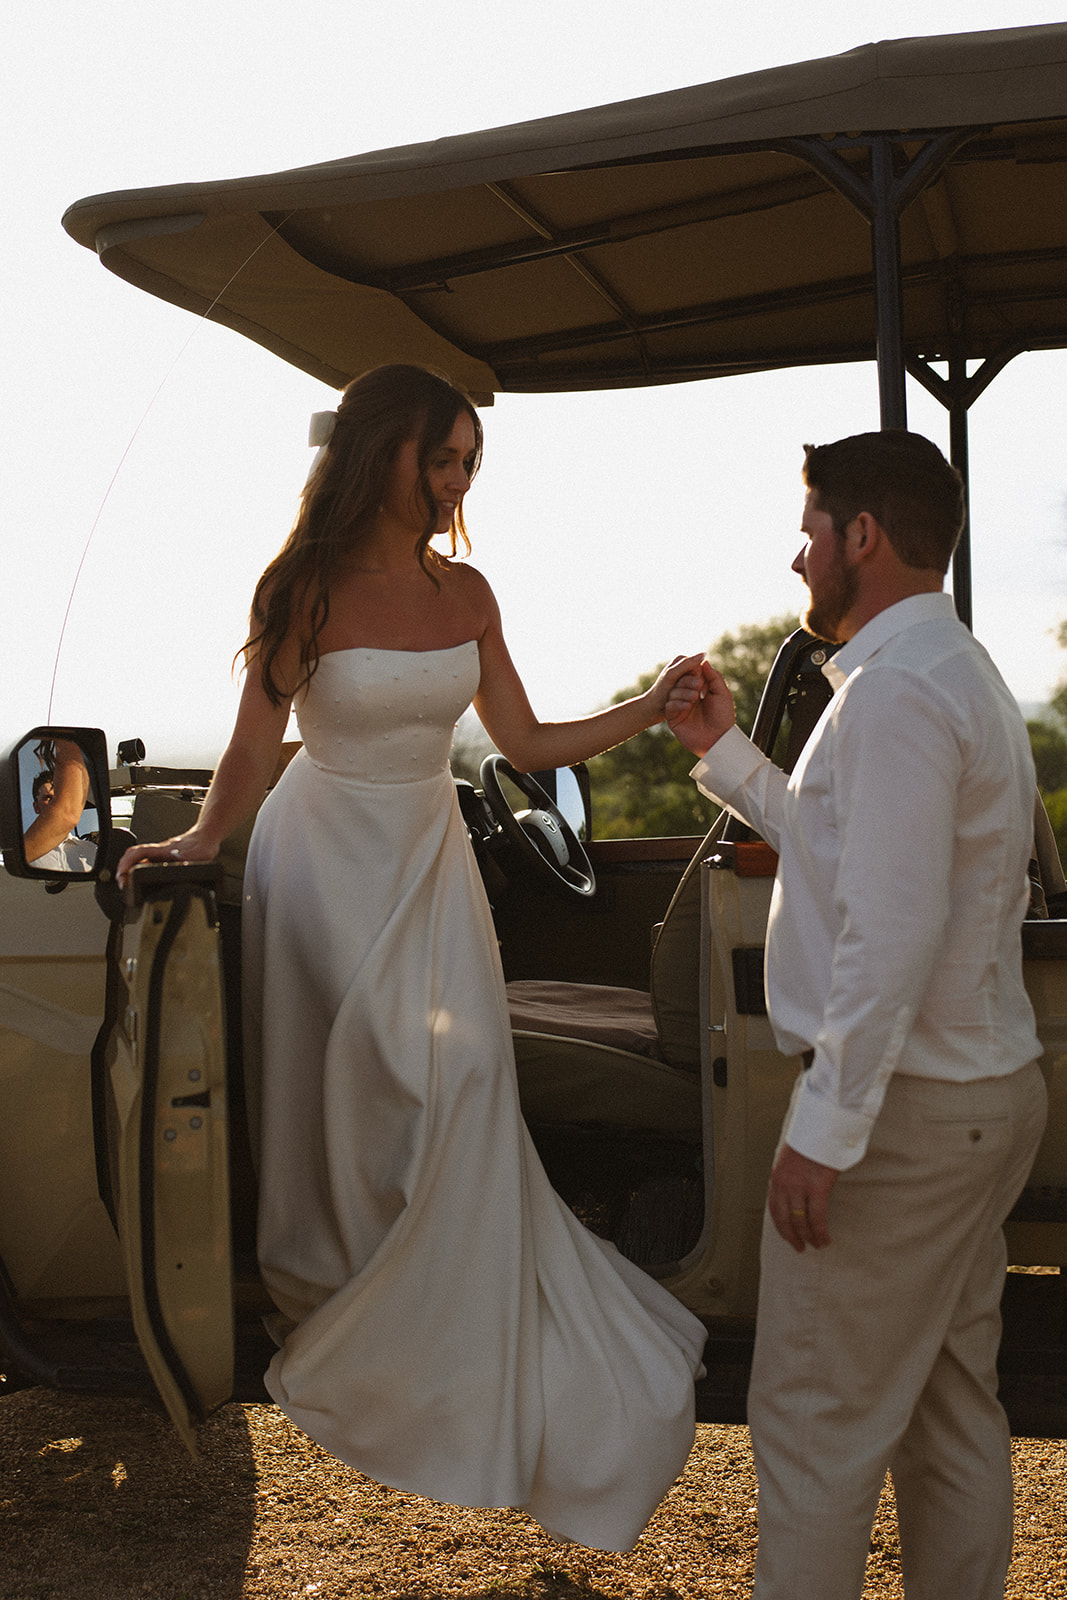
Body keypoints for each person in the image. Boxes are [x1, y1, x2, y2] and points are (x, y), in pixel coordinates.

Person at [116, 363, 706, 1552]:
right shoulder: (301, 589)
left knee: (464, 1074)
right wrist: (199, 839)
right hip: (320, 861)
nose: (456, 482)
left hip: (429, 860)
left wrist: (648, 707)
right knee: (366, 1071)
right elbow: (252, 748)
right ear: (381, 451)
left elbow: (526, 737)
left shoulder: (469, 592)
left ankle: (441, 1297)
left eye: (468, 463)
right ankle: (345, 1278)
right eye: (441, 458)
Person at [666, 429, 1047, 1599]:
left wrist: (822, 1131)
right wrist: (723, 752)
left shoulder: (891, 696)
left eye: (810, 531)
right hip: (976, 1097)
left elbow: (887, 933)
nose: (797, 557)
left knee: (810, 1421)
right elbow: (843, 850)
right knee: (945, 1407)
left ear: (861, 536)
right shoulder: (945, 670)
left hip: (905, 1119)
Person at [26, 739, 96, 870]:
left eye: (58, 797)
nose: (55, 803)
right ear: (36, 807)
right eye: (47, 797)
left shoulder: (92, 851)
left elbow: (67, 814)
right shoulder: (25, 857)